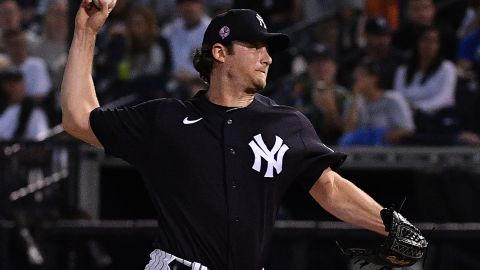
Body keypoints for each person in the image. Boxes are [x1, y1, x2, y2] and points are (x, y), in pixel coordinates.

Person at [61, 1, 409, 269]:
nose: (268, 57)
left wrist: (391, 225)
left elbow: (329, 187)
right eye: (256, 46)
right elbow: (79, 118)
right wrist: (87, 32)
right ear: (220, 52)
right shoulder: (167, 119)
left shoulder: (286, 124)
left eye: (268, 48)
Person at [340, 60, 415, 146]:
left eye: (362, 75)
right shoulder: (353, 100)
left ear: (374, 78)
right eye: (356, 75)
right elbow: (347, 132)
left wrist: (381, 136)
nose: (358, 79)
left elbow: (407, 130)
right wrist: (355, 99)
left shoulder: (393, 99)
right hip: (358, 152)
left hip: (389, 152)